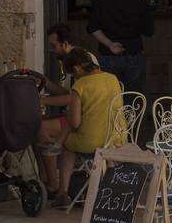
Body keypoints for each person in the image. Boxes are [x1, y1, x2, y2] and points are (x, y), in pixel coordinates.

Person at [39, 47, 125, 207]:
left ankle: (62, 192)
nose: (74, 77)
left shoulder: (81, 85)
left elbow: (76, 123)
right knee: (70, 134)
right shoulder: (112, 78)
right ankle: (109, 175)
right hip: (116, 137)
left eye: (73, 74)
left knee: (68, 145)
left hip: (93, 142)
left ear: (77, 68)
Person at [88, 0, 154, 96]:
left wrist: (110, 44)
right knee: (134, 99)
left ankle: (113, 118)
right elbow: (149, 31)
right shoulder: (139, 1)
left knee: (109, 98)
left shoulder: (102, 1)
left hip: (108, 55)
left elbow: (93, 28)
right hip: (133, 53)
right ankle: (132, 118)